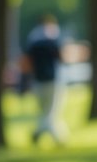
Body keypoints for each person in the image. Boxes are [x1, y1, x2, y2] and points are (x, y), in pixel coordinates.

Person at [22, 14, 67, 145]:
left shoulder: (32, 39)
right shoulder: (54, 37)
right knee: (51, 111)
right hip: (53, 79)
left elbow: (27, 61)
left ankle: (39, 133)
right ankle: (57, 136)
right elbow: (61, 58)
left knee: (45, 111)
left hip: (38, 80)